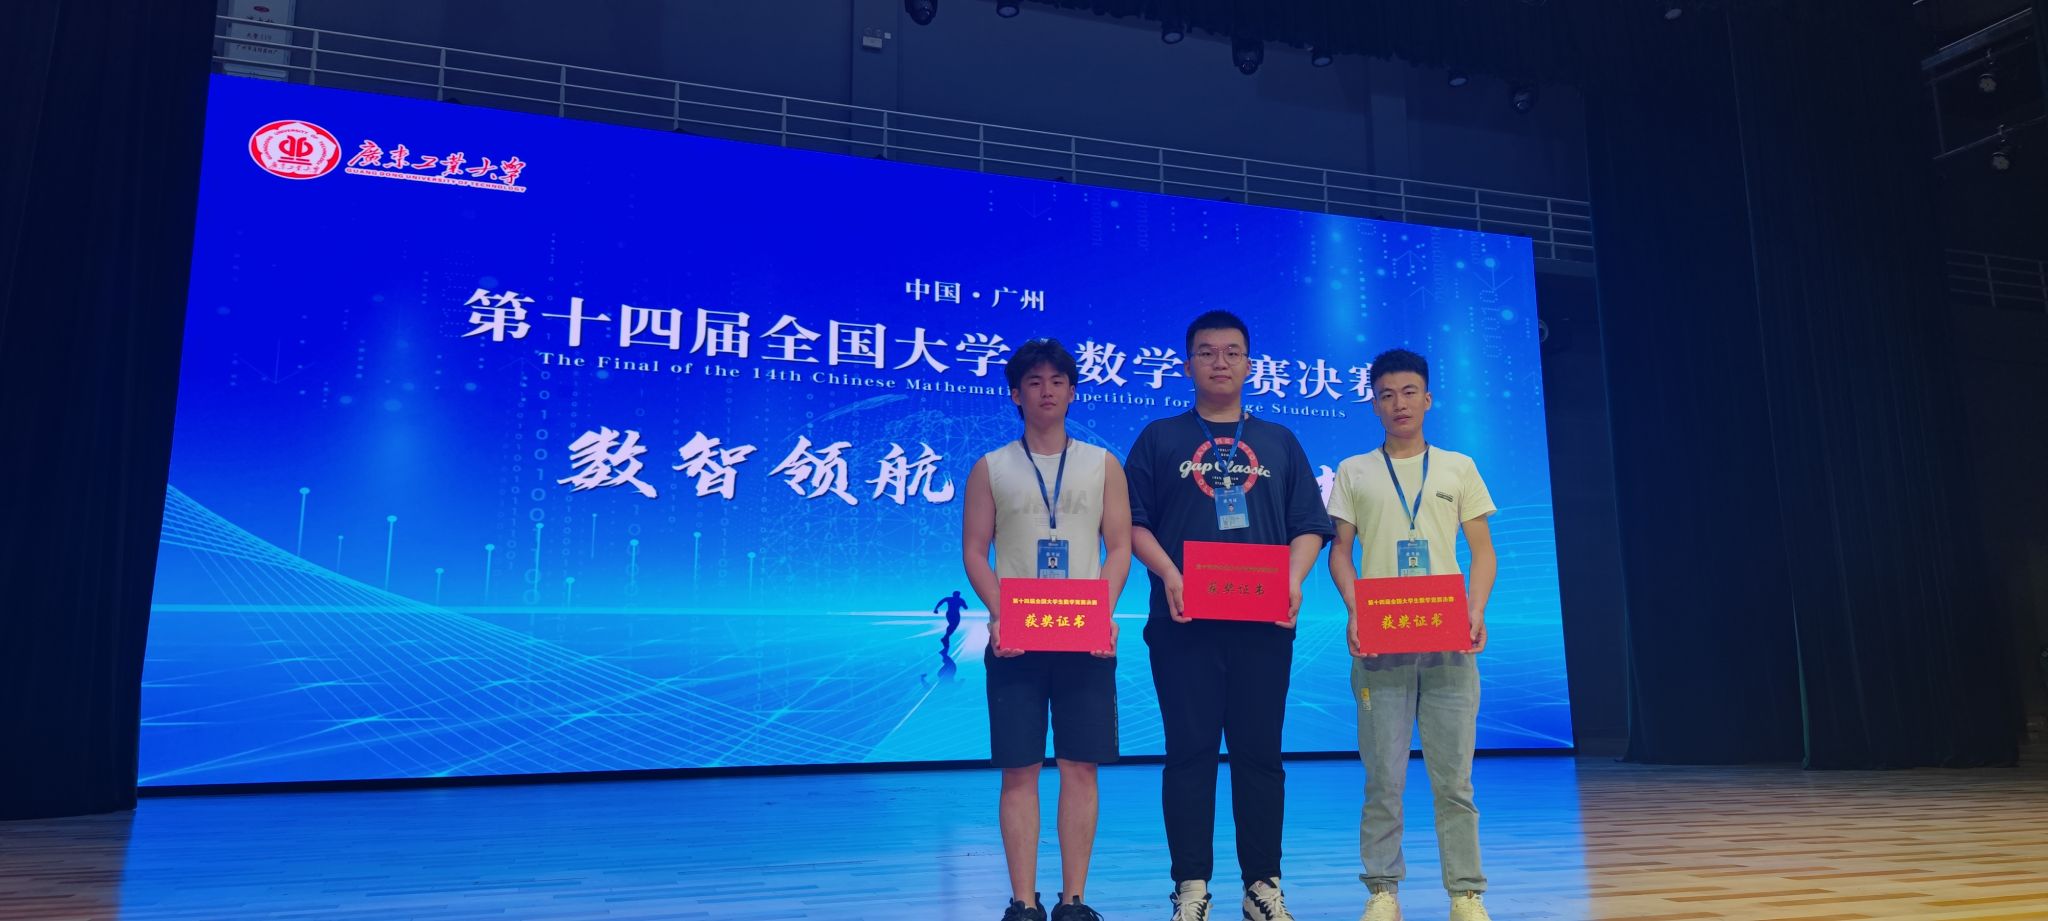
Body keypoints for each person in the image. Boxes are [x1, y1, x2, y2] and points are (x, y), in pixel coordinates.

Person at [1124, 310, 1332, 921]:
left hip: (1263, 626)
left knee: (1260, 756)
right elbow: (1132, 523)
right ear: (1187, 364)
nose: (1220, 362)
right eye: (1207, 352)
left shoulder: (1279, 440)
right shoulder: (1159, 437)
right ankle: (1191, 887)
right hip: (1183, 624)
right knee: (1189, 755)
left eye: (1232, 352)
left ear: (1249, 364)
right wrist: (1170, 574)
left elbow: (1308, 525)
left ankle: (1262, 885)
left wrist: (1292, 579)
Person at [1324, 348, 1497, 921]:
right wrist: (1354, 610)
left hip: (1449, 643)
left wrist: (1476, 609)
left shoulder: (1458, 467)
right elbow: (1340, 553)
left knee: (1455, 781)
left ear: (1428, 399)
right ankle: (1382, 890)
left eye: (1408, 392)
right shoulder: (1354, 470)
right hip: (1379, 643)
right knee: (1383, 778)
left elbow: (1482, 551)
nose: (1398, 403)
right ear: (1374, 404)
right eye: (1386, 394)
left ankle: (1465, 893)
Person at [962, 338, 1132, 921]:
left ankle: (1074, 900)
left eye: (1058, 381)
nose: (1047, 391)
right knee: (1020, 768)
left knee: (1081, 766)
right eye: (1034, 382)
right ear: (1016, 394)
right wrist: (1000, 612)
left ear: (1073, 391)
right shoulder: (990, 467)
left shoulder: (1103, 464)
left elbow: (1119, 547)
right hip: (1017, 639)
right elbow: (975, 551)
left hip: (1084, 636)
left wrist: (1102, 613)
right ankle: (1023, 900)